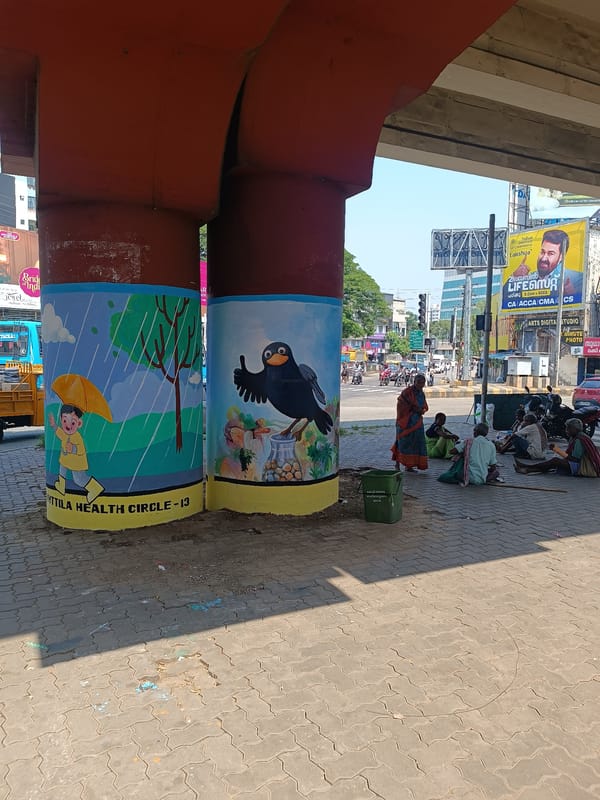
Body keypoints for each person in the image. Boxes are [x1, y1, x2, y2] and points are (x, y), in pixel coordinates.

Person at [48, 404, 105, 503]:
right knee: (62, 470)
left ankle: (95, 488)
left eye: (73, 422)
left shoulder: (77, 437)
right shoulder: (66, 434)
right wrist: (54, 426)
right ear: (61, 420)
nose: (68, 426)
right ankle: (61, 486)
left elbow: (81, 450)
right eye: (65, 421)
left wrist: (73, 448)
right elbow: (60, 434)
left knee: (79, 479)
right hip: (66, 460)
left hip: (76, 463)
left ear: (79, 423)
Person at [514, 417, 600, 477]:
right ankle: (527, 469)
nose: (567, 431)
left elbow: (575, 459)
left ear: (575, 429)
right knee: (552, 464)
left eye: (568, 429)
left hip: (583, 467)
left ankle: (527, 467)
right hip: (579, 464)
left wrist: (557, 450)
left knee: (555, 461)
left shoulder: (579, 439)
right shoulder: (576, 437)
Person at [391, 372, 428, 473]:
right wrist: (413, 409)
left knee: (416, 444)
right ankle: (397, 464)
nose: (421, 385)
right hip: (405, 422)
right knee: (402, 443)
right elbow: (401, 405)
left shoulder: (421, 393)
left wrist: (421, 410)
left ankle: (409, 466)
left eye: (422, 383)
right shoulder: (407, 392)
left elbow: (424, 405)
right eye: (419, 382)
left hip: (417, 423)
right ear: (414, 382)